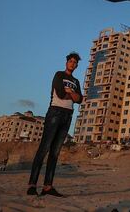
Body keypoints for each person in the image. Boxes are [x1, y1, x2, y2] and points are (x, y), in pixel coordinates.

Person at [27, 52, 82, 197]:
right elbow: (61, 93)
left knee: (55, 152)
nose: (72, 64)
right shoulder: (59, 75)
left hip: (68, 116)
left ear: (77, 66)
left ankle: (47, 186)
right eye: (70, 61)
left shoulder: (76, 81)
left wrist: (71, 93)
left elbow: (80, 100)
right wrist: (71, 94)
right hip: (55, 113)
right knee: (44, 149)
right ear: (66, 62)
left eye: (75, 62)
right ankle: (32, 185)